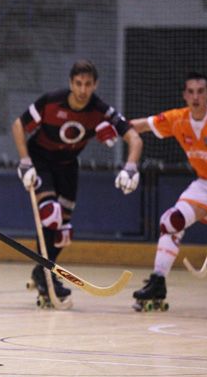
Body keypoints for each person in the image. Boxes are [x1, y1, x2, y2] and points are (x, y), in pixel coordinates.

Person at [11, 59, 143, 307]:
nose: (83, 90)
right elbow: (19, 125)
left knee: (63, 233)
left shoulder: (100, 110)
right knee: (50, 214)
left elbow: (134, 138)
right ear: (71, 83)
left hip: (68, 166)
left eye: (88, 84)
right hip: (40, 159)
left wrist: (131, 166)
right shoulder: (52, 101)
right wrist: (25, 161)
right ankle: (45, 274)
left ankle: (42, 271)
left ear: (96, 85)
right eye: (79, 84)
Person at [130, 72, 207, 312]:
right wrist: (110, 127)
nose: (196, 97)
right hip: (206, 183)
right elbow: (142, 125)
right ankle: (157, 282)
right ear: (184, 95)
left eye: (201, 91)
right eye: (191, 92)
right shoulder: (178, 119)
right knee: (171, 220)